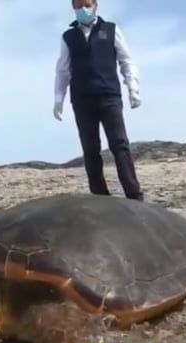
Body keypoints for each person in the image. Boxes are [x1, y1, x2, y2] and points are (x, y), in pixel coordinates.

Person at [53, 0, 144, 201]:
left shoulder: (111, 30)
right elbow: (62, 71)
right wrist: (58, 99)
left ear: (95, 5)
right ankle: (100, 197)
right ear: (73, 8)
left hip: (109, 95)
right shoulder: (68, 36)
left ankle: (134, 194)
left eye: (86, 5)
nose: (83, 9)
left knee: (119, 144)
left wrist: (133, 88)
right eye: (78, 6)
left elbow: (126, 60)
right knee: (90, 148)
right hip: (82, 100)